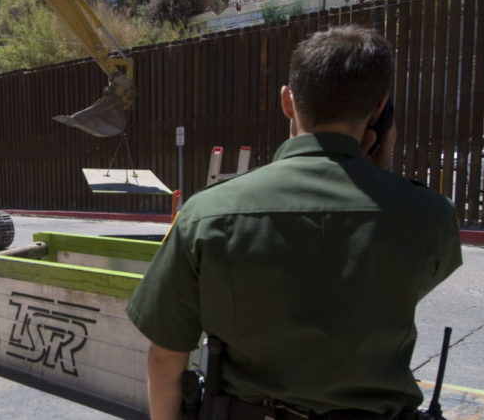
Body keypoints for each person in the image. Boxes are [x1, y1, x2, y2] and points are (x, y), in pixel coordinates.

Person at [126, 25, 462, 420]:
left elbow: (166, 358)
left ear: (287, 100)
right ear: (379, 107)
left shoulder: (206, 214)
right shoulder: (431, 215)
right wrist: (377, 169)